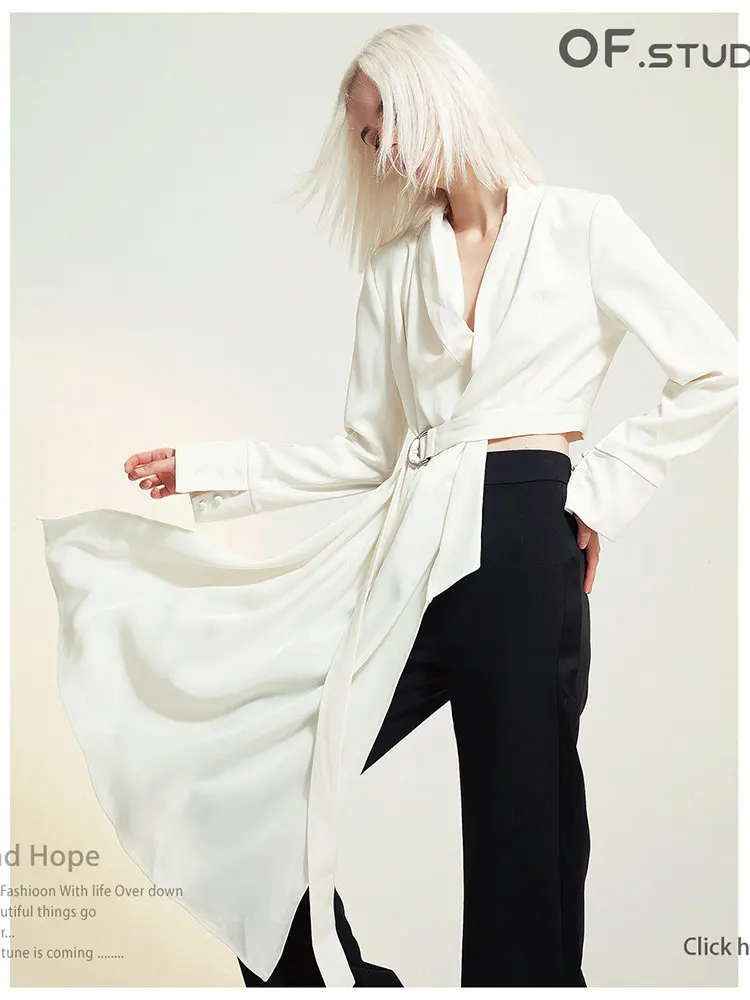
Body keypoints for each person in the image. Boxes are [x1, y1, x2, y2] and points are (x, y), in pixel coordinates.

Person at [41, 23, 738, 989]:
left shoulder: (584, 228)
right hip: (409, 543)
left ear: (439, 96)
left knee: (524, 826)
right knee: (261, 781)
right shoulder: (394, 268)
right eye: (368, 140)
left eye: (388, 124)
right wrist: (208, 467)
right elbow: (368, 450)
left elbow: (716, 367)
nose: (384, 153)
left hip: (527, 530)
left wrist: (599, 491)